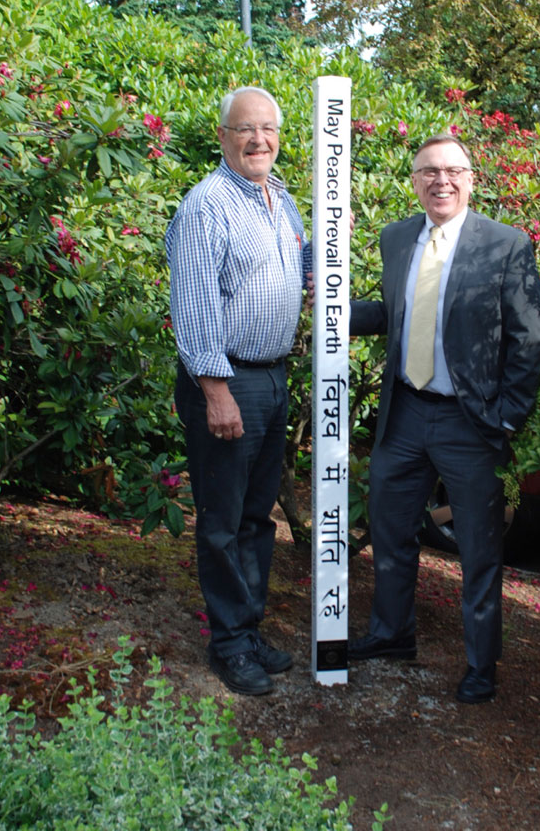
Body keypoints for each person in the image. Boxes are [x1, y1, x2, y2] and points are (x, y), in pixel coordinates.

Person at [349, 134, 540, 703]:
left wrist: (505, 419)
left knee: (480, 551)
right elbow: (394, 314)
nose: (441, 180)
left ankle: (481, 666)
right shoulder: (395, 238)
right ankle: (391, 635)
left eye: (452, 170)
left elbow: (529, 340)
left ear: (470, 177)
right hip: (404, 414)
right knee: (390, 532)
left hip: (470, 423)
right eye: (429, 171)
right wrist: (333, 305)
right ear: (414, 180)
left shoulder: (505, 246)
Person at [166, 85, 311, 696]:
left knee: (257, 517)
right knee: (223, 520)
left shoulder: (281, 200)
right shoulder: (207, 206)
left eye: (268, 129)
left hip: (273, 376)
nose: (258, 140)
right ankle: (228, 644)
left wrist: (329, 239)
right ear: (223, 137)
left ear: (279, 136)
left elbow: (299, 277)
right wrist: (215, 391)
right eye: (244, 129)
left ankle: (248, 631)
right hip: (226, 379)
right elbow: (195, 306)